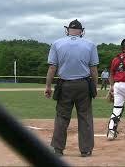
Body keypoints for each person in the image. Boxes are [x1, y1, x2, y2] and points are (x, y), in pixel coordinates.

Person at [44, 19, 99, 157]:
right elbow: (93, 69)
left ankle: (58, 149)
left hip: (65, 85)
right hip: (83, 85)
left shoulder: (57, 44)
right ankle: (86, 150)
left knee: (62, 117)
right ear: (81, 31)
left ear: (67, 30)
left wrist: (48, 86)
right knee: (85, 117)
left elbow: (52, 67)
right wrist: (95, 85)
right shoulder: (90, 44)